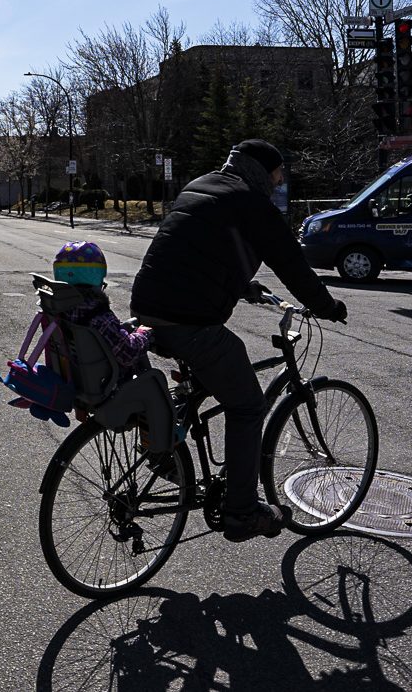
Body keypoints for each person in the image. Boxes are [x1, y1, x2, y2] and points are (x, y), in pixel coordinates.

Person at [130, 139, 348, 543]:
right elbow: (292, 265)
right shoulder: (252, 203)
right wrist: (327, 305)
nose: (279, 183)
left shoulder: (204, 184)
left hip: (148, 308)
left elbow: (198, 249)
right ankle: (241, 514)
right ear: (263, 172)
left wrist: (241, 284)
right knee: (247, 405)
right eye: (278, 176)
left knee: (206, 379)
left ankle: (163, 443)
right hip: (188, 319)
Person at [51, 241, 153, 378]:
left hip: (73, 374)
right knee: (155, 377)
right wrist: (142, 334)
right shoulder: (97, 314)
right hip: (105, 381)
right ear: (96, 274)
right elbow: (128, 353)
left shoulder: (59, 307)